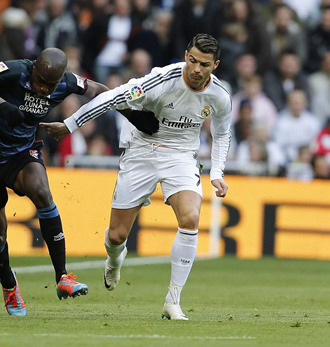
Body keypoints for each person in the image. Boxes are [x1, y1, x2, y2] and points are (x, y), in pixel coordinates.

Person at [40, 34, 231, 320]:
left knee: (190, 218)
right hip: (141, 149)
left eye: (203, 64)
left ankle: (173, 299)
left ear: (214, 65)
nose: (195, 68)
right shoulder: (162, 79)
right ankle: (114, 260)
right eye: (191, 60)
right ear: (185, 55)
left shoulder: (219, 95)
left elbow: (222, 132)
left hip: (181, 155)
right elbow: (111, 97)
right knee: (117, 236)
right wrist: (70, 125)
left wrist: (216, 172)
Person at [0, 48, 158, 317]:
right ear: (34, 69)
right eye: (39, 80)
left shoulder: (68, 82)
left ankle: (62, 277)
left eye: (49, 85)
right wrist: (1, 104)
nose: (42, 89)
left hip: (20, 152)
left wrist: (133, 115)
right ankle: (9, 286)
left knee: (42, 193)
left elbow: (101, 91)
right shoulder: (15, 69)